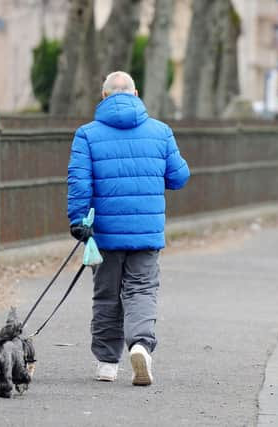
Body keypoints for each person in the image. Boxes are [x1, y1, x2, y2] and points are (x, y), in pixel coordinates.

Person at [67, 71, 190, 386]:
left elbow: (79, 182)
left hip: (105, 233)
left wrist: (79, 220)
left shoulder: (87, 134)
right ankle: (140, 344)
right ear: (135, 94)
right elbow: (179, 177)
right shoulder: (161, 132)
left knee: (107, 295)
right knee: (141, 290)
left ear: (104, 96)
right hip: (146, 230)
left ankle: (107, 363)